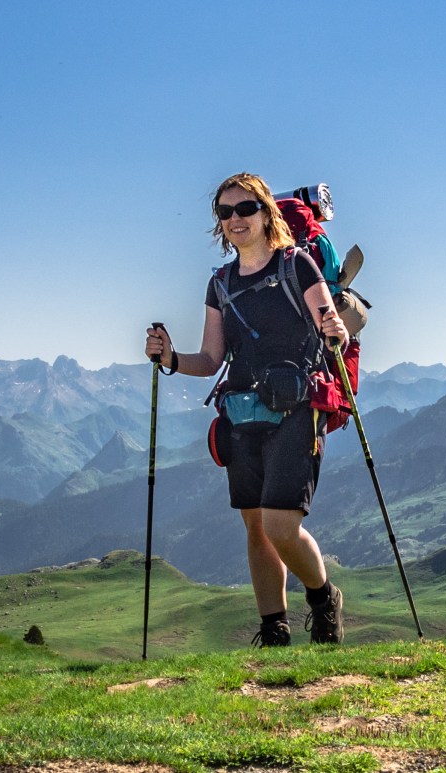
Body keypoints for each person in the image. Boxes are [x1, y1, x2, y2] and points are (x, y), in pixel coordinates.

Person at [145, 172, 348, 647]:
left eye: (244, 209)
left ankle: (323, 599)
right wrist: (170, 358)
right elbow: (212, 359)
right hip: (242, 414)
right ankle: (273, 630)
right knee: (256, 527)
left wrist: (333, 327)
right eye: (224, 212)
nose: (235, 219)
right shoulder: (220, 284)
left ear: (266, 213)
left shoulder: (297, 266)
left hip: (297, 409)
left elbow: (328, 321)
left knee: (281, 524)